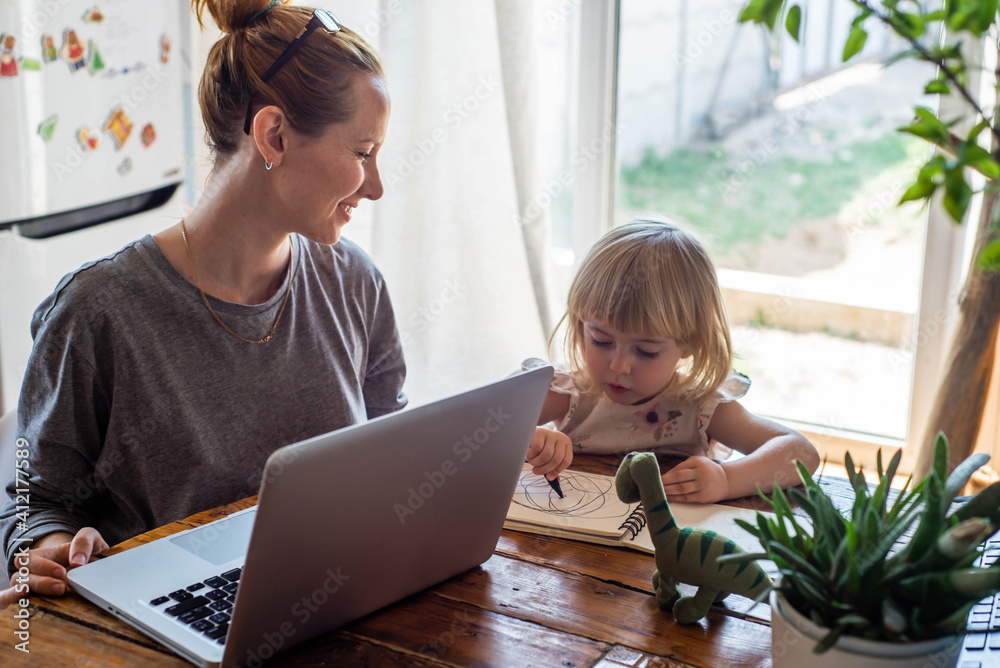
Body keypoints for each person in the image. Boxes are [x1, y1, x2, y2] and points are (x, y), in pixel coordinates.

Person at [0, 0, 412, 608]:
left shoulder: (356, 283)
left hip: (336, 599)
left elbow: (394, 447)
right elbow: (31, 501)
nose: (375, 185)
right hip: (161, 627)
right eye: (361, 152)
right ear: (273, 135)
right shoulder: (97, 312)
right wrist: (50, 547)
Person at [526, 219, 819, 504]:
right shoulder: (570, 394)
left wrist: (726, 479)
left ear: (690, 342)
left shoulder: (700, 408)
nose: (618, 366)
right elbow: (486, 428)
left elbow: (801, 454)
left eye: (646, 351)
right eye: (601, 341)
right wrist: (528, 441)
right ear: (580, 326)